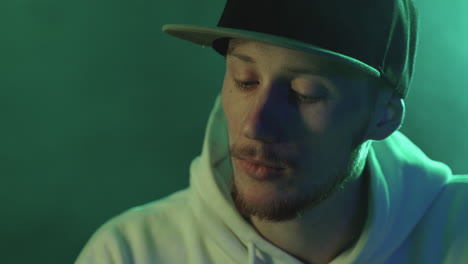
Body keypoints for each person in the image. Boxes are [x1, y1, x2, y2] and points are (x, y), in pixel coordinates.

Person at [75, 0, 468, 263]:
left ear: (382, 117)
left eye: (305, 93)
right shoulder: (130, 252)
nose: (255, 125)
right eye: (245, 80)